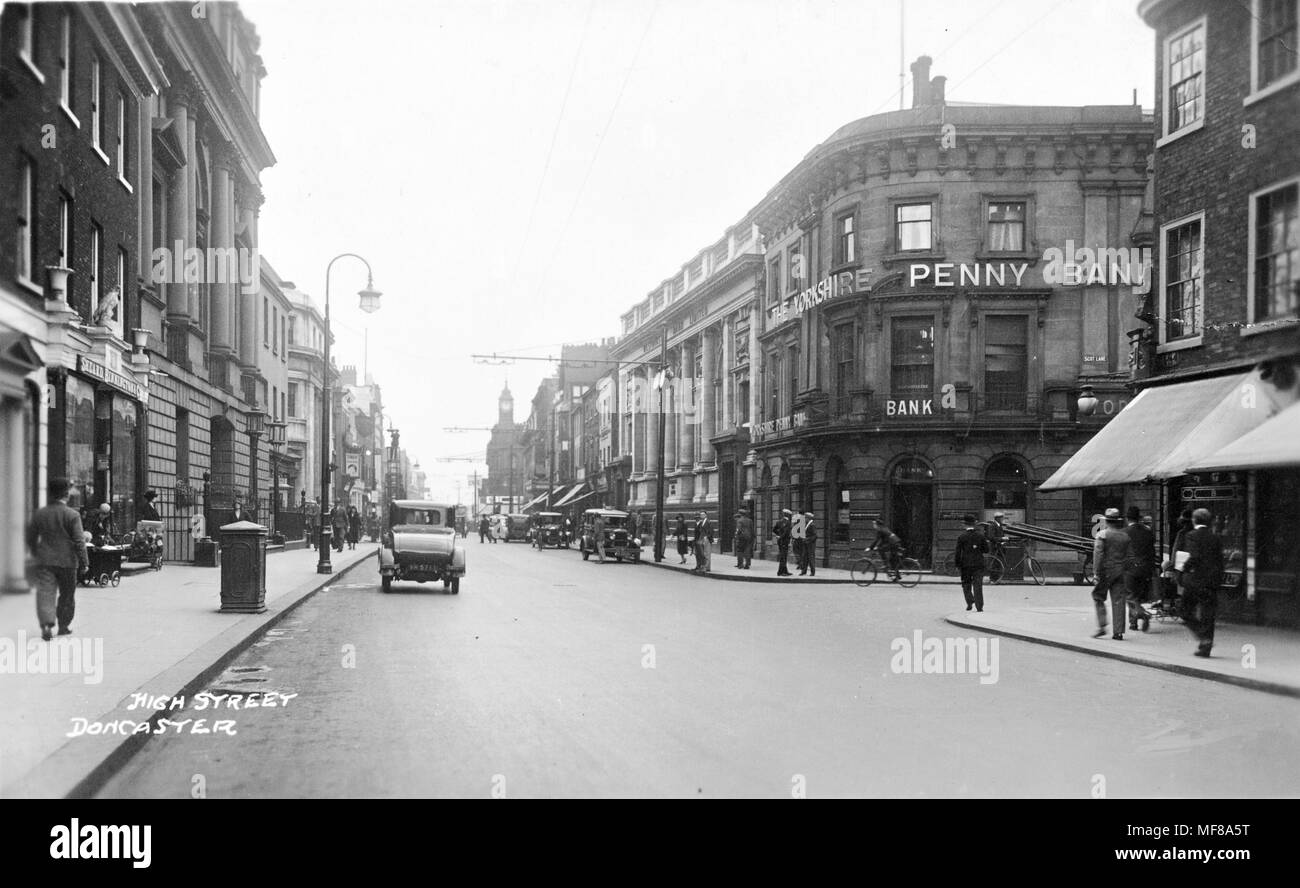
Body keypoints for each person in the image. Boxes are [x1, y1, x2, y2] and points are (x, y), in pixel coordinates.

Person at [26, 478, 89, 641]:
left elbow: (30, 537)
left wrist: (35, 552)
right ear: (66, 495)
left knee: (46, 592)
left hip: (45, 560)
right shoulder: (72, 515)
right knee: (67, 594)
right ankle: (63, 626)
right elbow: (79, 541)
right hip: (68, 562)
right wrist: (84, 562)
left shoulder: (40, 513)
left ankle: (47, 624)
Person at [1180, 507, 1225, 658]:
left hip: (1196, 581)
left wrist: (1184, 568)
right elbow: (1220, 561)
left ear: (1194, 520)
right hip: (1212, 581)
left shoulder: (1191, 535)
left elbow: (1194, 557)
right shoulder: (1215, 537)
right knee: (1208, 614)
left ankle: (1203, 637)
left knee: (1185, 610)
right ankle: (1206, 647)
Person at [1091, 508, 1134, 639]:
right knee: (1119, 600)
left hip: (1106, 571)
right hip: (1120, 571)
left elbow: (1098, 555)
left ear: (1107, 521)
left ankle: (1102, 626)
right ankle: (1118, 632)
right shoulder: (1125, 536)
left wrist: (1096, 573)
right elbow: (1130, 556)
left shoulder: (1102, 535)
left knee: (1098, 596)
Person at [1124, 505, 1155, 633]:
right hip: (1145, 568)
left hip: (1130, 568)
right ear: (1139, 518)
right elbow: (1152, 551)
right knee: (1136, 595)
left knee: (1129, 595)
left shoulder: (1124, 533)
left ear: (1127, 519)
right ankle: (1133, 623)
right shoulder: (1148, 532)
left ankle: (1141, 614)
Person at [954, 513, 989, 612]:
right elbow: (986, 550)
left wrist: (957, 564)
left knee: (966, 584)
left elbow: (958, 552)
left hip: (965, 565)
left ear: (965, 525)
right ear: (974, 524)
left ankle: (969, 602)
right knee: (978, 585)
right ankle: (979, 606)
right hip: (978, 564)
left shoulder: (961, 537)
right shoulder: (980, 536)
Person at [772, 509, 793, 577]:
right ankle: (781, 572)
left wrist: (778, 535)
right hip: (784, 541)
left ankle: (784, 571)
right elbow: (786, 532)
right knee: (783, 557)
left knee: (783, 556)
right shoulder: (788, 522)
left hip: (780, 541)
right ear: (788, 515)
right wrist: (780, 536)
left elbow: (774, 530)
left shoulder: (779, 521)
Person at [800, 512, 817, 576]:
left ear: (808, 518)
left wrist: (807, 539)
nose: (804, 519)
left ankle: (812, 572)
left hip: (810, 545)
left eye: (805, 518)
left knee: (811, 558)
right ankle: (803, 571)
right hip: (806, 544)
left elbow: (815, 536)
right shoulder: (807, 524)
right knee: (804, 557)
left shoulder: (812, 525)